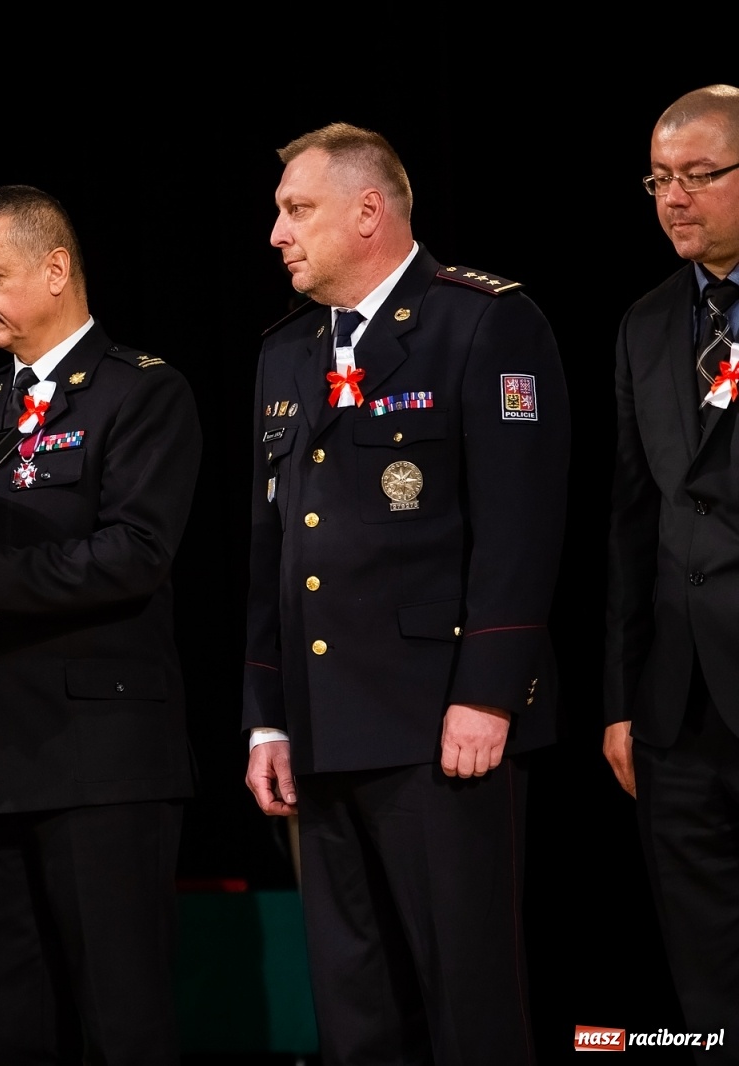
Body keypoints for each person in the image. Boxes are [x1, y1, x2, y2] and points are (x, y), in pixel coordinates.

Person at [241, 123, 569, 1065]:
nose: (277, 233)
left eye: (297, 210)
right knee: (355, 1014)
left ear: (369, 212)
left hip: (441, 728)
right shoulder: (288, 353)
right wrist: (266, 717)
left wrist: (488, 692)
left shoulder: (482, 321)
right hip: (322, 728)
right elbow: (273, 548)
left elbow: (521, 524)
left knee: (467, 1005)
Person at [0, 185, 201, 1065]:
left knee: (120, 1021)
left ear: (55, 270)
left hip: (103, 761)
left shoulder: (142, 394)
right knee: (14, 1026)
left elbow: (135, 555)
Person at [604, 84, 739, 1061]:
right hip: (676, 703)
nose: (674, 199)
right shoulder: (646, 324)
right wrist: (620, 699)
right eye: (658, 180)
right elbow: (629, 524)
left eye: (699, 176)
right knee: (704, 966)